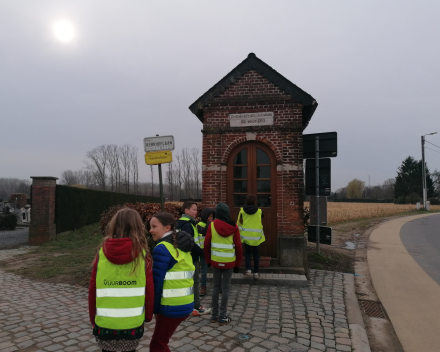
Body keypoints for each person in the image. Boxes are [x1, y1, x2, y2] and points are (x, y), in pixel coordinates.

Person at [88, 208, 154, 352]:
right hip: (133, 324)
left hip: (105, 324)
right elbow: (149, 289)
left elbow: (93, 289)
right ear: (138, 226)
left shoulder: (101, 253)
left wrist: (93, 317)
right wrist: (148, 316)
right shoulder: (143, 255)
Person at [149, 212, 195, 352]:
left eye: (154, 226)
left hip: (171, 306)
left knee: (158, 345)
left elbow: (156, 284)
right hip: (186, 303)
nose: (150, 230)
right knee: (161, 341)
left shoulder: (162, 248)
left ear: (167, 228)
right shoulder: (181, 246)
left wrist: (154, 310)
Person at [204, 202, 242, 325]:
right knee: (225, 288)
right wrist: (237, 264)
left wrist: (208, 261)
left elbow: (206, 244)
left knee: (215, 287)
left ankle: (214, 315)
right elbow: (239, 247)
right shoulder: (234, 227)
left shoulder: (211, 226)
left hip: (215, 261)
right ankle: (223, 316)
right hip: (229, 262)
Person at [176, 201, 211, 316]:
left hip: (184, 257)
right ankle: (196, 306)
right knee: (195, 281)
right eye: (194, 210)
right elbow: (189, 243)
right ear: (186, 211)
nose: (196, 212)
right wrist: (201, 252)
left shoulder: (180, 223)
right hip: (192, 257)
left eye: (196, 210)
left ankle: (186, 304)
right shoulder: (187, 224)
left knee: (187, 282)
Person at [237, 194, 265, 279]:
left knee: (247, 253)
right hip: (256, 237)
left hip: (246, 236)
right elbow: (262, 217)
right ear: (255, 202)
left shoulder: (242, 211)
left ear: (246, 201)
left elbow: (238, 223)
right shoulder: (259, 211)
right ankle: (256, 272)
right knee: (256, 254)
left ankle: (248, 270)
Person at [196, 207, 215, 296]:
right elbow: (203, 232)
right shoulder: (199, 225)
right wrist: (209, 224)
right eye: (209, 216)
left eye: (212, 216)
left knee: (216, 270)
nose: (211, 218)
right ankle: (203, 286)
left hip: (213, 250)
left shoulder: (214, 224)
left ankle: (218, 286)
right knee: (204, 270)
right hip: (203, 250)